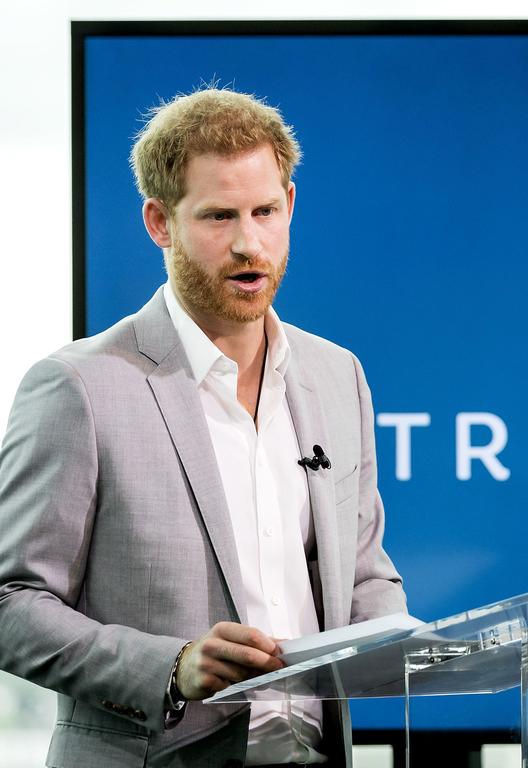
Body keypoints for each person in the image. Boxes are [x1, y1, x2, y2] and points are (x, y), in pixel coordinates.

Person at [0, 88, 407, 767]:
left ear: (291, 207)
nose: (250, 243)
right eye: (219, 216)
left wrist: (410, 641)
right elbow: (11, 603)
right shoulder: (80, 387)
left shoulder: (338, 377)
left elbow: (364, 573)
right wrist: (171, 665)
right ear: (160, 222)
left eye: (265, 211)